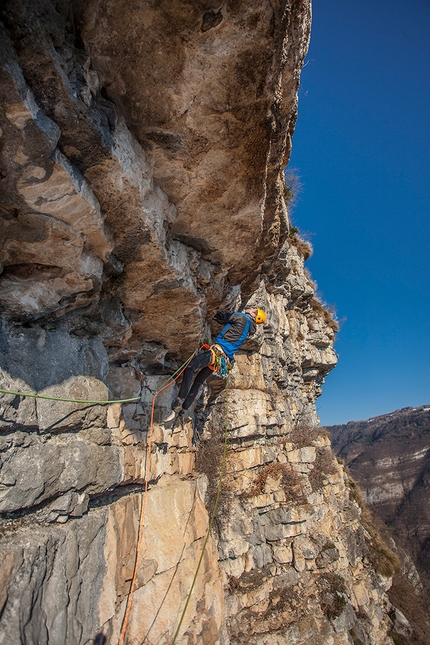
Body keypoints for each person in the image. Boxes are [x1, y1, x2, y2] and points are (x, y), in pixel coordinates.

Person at [165, 307, 266, 422]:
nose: (251, 308)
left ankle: (180, 398)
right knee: (198, 381)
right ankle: (184, 409)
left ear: (254, 315)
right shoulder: (248, 328)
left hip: (217, 353)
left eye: (254, 309)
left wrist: (210, 312)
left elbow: (223, 317)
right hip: (223, 360)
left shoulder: (242, 317)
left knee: (190, 366)